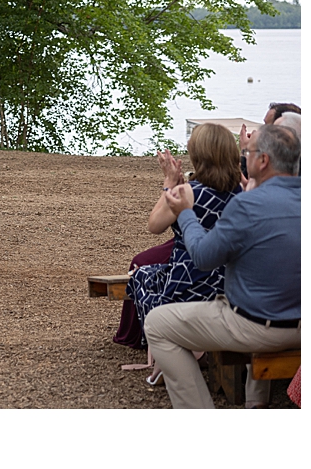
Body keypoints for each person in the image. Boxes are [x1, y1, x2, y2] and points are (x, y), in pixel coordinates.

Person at [146, 123, 300, 409]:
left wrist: (187, 214)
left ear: (263, 160)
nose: (244, 157)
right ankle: (256, 403)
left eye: (248, 152)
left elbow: (204, 258)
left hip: (259, 327)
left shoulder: (248, 205)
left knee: (157, 324)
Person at [124, 124, 242, 370]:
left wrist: (169, 184)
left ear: (198, 157)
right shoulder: (243, 193)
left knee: (140, 276)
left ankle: (169, 353)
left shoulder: (188, 192)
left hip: (187, 284)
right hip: (231, 284)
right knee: (148, 272)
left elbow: (154, 225)